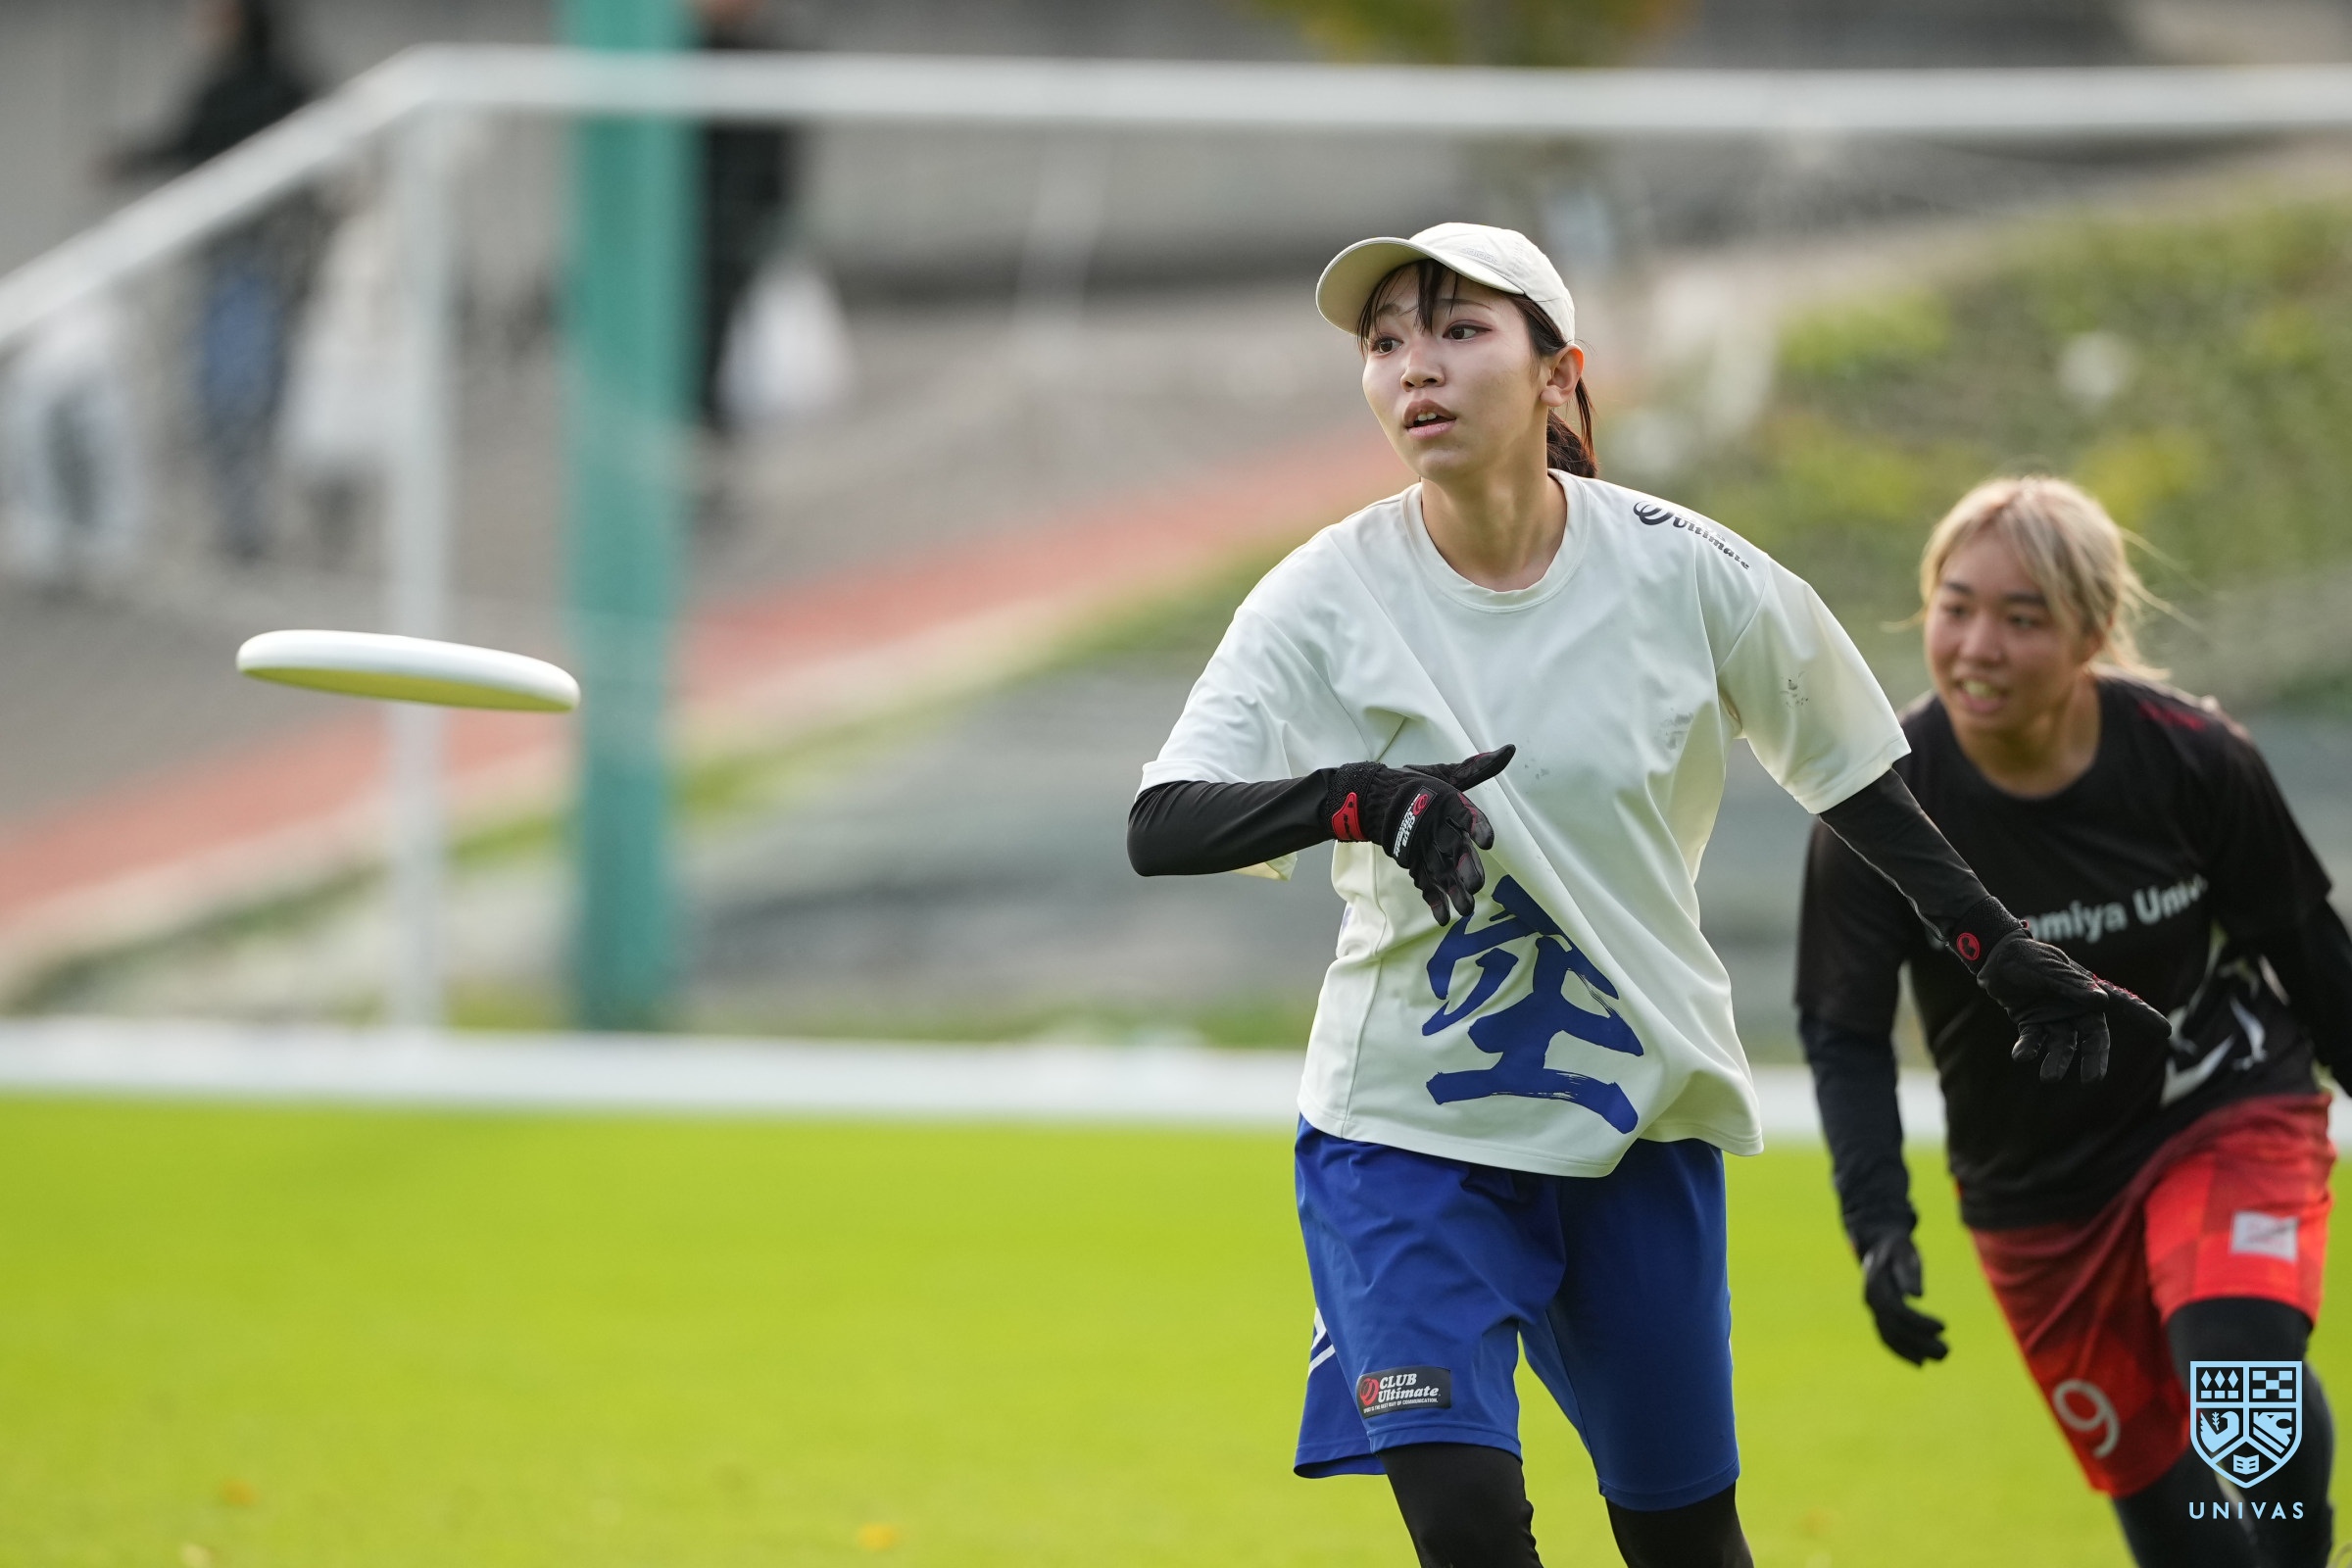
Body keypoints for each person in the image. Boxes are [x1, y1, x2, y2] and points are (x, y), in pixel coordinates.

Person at [1127, 224, 2169, 1568]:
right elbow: (1163, 821)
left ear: (1559, 373)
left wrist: (1998, 946)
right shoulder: (1321, 594)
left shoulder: (1689, 570)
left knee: (1686, 1543)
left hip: (1635, 1124)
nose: (1414, 368)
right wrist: (1367, 799)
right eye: (1385, 343)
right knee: (1467, 1523)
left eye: (1458, 331)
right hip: (1405, 1137)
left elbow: (1851, 774)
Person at [1797, 476, 2352, 1568]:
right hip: (2037, 1191)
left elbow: (2309, 953)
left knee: (2237, 1366)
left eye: (2024, 617)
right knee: (2175, 1529)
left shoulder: (2194, 757)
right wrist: (1877, 1220)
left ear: (2093, 634)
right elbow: (1844, 1030)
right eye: (1957, 607)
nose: (1978, 647)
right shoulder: (1878, 801)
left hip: (2217, 1107)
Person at [108, 0, 317, 562]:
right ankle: (243, 523)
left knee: (243, 396)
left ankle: (255, 523)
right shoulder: (232, 86)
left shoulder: (279, 87)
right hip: (233, 261)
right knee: (227, 398)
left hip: (263, 263)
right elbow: (188, 142)